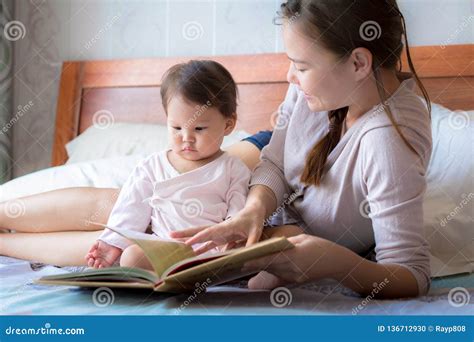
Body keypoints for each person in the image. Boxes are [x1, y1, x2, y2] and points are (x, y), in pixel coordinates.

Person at [171, 0, 433, 299]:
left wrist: (337, 265)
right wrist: (254, 209)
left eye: (301, 66)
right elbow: (276, 163)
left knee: (166, 220)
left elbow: (412, 275)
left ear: (359, 63)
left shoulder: (388, 141)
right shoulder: (317, 90)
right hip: (278, 165)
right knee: (162, 190)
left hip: (292, 203)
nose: (290, 76)